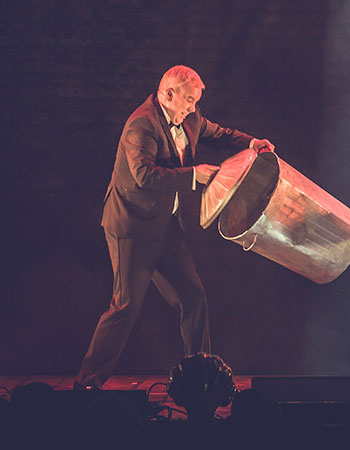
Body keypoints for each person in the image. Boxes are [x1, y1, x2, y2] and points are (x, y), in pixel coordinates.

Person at [74, 65, 274, 389]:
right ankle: (85, 385)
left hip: (166, 228)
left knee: (194, 298)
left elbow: (219, 133)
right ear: (169, 95)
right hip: (132, 228)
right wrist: (194, 175)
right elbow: (144, 175)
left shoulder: (190, 119)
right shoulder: (141, 124)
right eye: (190, 101)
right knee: (124, 307)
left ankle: (200, 381)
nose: (193, 108)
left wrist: (253, 143)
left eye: (195, 102)